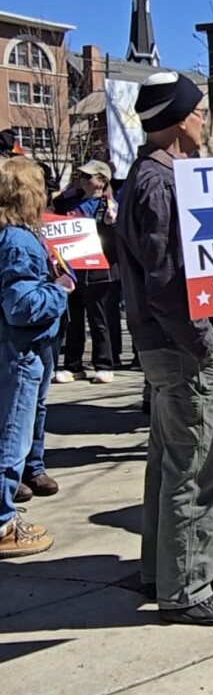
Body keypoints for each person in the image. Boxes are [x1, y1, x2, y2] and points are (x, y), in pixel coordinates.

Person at [117, 71, 213, 626]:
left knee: (169, 463)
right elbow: (167, 281)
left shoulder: (152, 175)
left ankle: (161, 572)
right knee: (196, 470)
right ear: (177, 120)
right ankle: (189, 590)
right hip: (182, 346)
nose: (205, 122)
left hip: (166, 344)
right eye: (200, 113)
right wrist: (202, 342)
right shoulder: (161, 184)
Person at [0, 157, 71, 557]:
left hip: (14, 347)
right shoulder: (18, 241)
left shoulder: (15, 235)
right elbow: (21, 307)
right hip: (20, 349)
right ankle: (2, 523)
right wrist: (59, 291)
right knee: (12, 435)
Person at [52, 160, 120, 384]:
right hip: (72, 269)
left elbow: (116, 239)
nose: (82, 179)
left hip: (99, 270)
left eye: (87, 176)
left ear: (101, 181)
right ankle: (73, 366)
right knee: (73, 320)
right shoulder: (69, 201)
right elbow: (53, 206)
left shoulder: (108, 205)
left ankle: (104, 364)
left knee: (98, 318)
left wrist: (111, 223)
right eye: (81, 175)